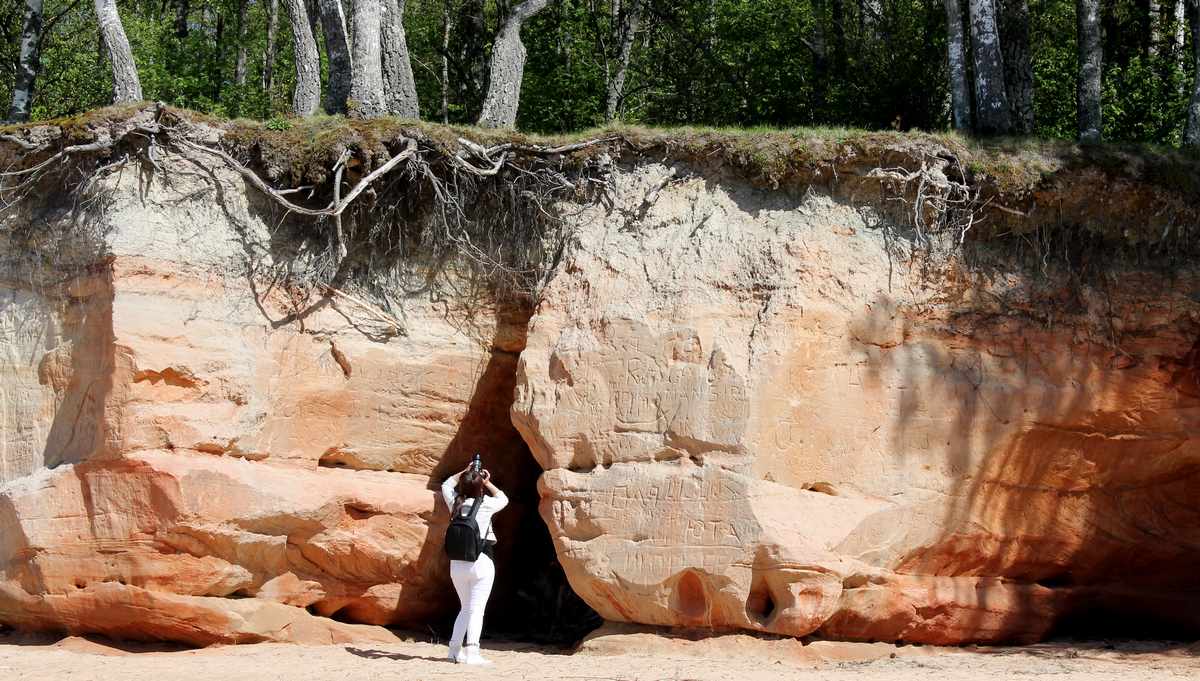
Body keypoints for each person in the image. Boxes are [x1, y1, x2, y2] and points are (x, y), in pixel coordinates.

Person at [441, 463, 508, 665]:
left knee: (465, 608)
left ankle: (454, 651)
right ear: (480, 488)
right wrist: (487, 483)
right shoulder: (486, 504)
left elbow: (446, 485)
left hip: (456, 565)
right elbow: (504, 499)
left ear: (462, 486)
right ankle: (472, 652)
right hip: (481, 562)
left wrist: (464, 472)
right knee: (477, 609)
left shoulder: (455, 502)